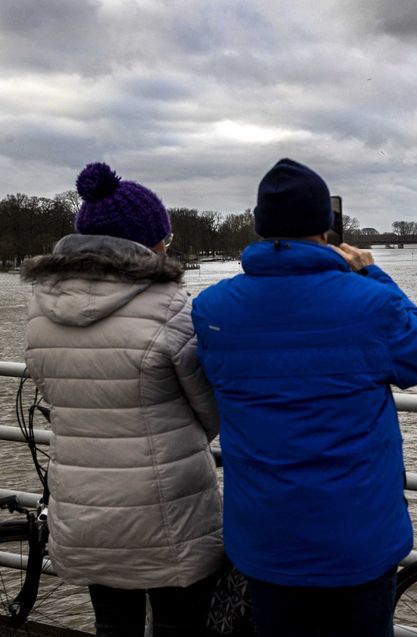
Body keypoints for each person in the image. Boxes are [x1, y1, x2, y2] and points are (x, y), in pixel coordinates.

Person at [191, 158, 417, 637]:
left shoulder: (212, 309)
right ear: (327, 227)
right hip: (358, 539)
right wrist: (372, 274)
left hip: (265, 539)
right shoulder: (369, 302)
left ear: (260, 226)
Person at [21, 162, 223, 636]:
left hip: (85, 504)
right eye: (166, 239)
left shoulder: (41, 308)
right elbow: (210, 412)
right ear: (147, 244)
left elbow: (55, 394)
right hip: (167, 507)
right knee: (180, 625)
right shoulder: (171, 307)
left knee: (113, 625)